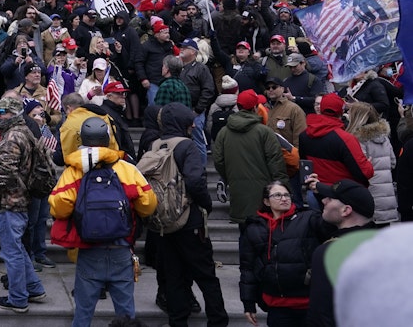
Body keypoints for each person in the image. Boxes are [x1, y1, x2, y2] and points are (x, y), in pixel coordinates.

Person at [49, 117, 157, 326]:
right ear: (108, 139)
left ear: (82, 139)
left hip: (88, 250)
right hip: (121, 247)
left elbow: (59, 207)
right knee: (126, 312)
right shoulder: (127, 168)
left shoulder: (73, 171)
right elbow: (149, 204)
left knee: (83, 312)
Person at [155, 102, 229, 327]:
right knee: (206, 275)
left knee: (174, 277)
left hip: (163, 222)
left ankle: (178, 321)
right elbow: (196, 182)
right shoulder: (187, 146)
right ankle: (217, 321)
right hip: (189, 220)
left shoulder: (156, 144)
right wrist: (206, 204)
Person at [0, 97, 46, 313]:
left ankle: (18, 298)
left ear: (14, 113)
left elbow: (7, 171)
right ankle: (34, 288)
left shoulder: (13, 136)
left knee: (11, 252)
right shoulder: (23, 132)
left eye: (3, 111)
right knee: (17, 248)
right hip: (19, 200)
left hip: (9, 202)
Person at [239, 181, 330, 327]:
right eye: (278, 195)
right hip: (276, 304)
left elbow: (329, 223)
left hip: (308, 302)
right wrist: (248, 303)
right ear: (266, 201)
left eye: (287, 195)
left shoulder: (308, 218)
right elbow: (247, 268)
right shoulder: (254, 228)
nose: (284, 198)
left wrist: (320, 194)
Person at [303, 179, 376, 327]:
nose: (324, 200)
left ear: (346, 210)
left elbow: (321, 315)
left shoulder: (329, 253)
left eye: (330, 199)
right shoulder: (386, 245)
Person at [213, 90, 288, 225]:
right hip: (263, 194)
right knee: (263, 233)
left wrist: (229, 176)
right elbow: (276, 162)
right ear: (255, 108)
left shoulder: (224, 132)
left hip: (237, 193)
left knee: (244, 234)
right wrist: (283, 187)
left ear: (238, 107)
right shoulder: (265, 132)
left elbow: (218, 160)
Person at [298, 94, 374, 188]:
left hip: (317, 190)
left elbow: (305, 165)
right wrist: (368, 164)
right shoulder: (346, 139)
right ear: (341, 112)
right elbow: (365, 173)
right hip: (342, 194)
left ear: (320, 109)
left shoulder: (304, 135)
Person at [345, 102, 398, 225]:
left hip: (369, 195)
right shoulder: (384, 138)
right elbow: (393, 162)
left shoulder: (358, 140)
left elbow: (359, 168)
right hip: (387, 196)